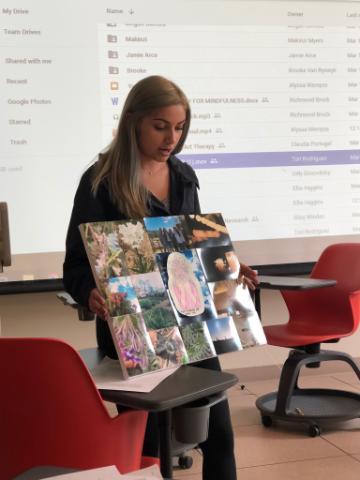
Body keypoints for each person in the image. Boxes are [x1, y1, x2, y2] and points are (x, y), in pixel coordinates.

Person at [63, 75, 258, 480]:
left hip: (194, 330)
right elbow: (76, 268)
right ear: (132, 120)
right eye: (160, 126)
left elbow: (196, 252)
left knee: (218, 436)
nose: (172, 137)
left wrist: (230, 270)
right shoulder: (100, 183)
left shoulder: (184, 176)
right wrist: (89, 294)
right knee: (148, 450)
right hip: (132, 332)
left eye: (180, 127)